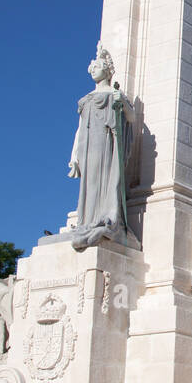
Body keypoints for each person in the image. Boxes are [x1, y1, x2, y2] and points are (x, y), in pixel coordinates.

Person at [69, 45, 133, 250]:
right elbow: (79, 130)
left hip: (105, 144)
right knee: (89, 183)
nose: (93, 69)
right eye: (93, 67)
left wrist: (122, 101)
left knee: (103, 178)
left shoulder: (114, 94)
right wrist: (74, 155)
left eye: (98, 66)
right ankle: (86, 220)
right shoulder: (86, 99)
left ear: (107, 70)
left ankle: (103, 217)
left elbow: (131, 117)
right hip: (87, 146)